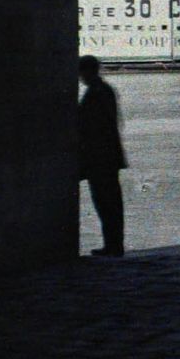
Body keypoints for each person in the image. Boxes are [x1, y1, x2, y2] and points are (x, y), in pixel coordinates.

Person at [76, 55, 128, 257]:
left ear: (88, 71)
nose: (80, 77)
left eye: (81, 73)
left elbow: (92, 124)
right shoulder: (104, 90)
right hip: (107, 156)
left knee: (105, 202)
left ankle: (113, 245)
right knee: (110, 202)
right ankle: (114, 244)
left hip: (100, 157)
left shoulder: (97, 92)